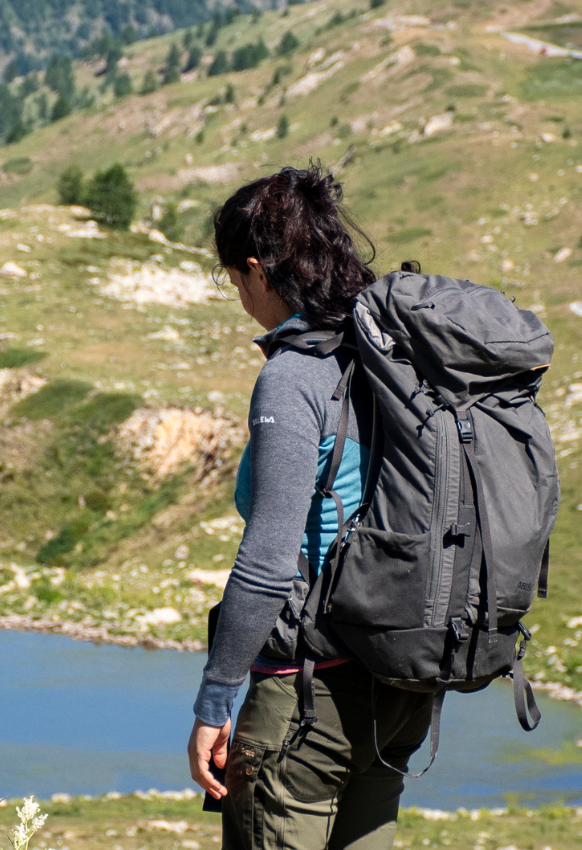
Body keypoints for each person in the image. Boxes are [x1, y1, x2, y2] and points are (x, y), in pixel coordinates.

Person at [187, 165, 436, 850]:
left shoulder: (293, 375)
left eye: (235, 281)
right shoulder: (398, 352)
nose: (239, 295)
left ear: (257, 270)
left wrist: (215, 700)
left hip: (308, 695)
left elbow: (269, 562)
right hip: (402, 686)